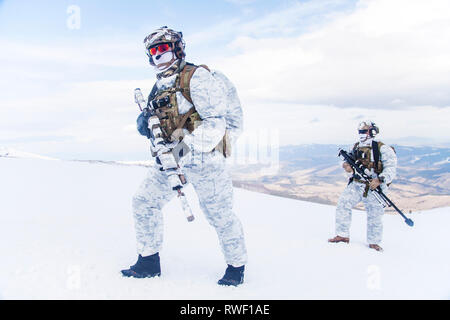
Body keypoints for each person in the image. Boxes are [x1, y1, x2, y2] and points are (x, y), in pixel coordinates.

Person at [121, 26, 248, 286]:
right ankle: (148, 262)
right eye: (153, 51)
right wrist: (144, 124)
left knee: (219, 214)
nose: (158, 56)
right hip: (170, 160)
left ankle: (236, 268)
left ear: (177, 48)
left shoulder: (196, 77)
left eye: (163, 49)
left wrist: (178, 154)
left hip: (204, 160)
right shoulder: (159, 86)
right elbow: (160, 121)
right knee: (144, 202)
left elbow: (215, 124)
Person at [328, 120, 397, 252]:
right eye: (360, 131)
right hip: (357, 184)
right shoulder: (355, 147)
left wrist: (380, 179)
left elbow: (391, 168)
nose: (361, 134)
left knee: (375, 215)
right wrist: (347, 168)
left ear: (372, 131)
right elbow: (347, 162)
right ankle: (342, 235)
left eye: (364, 131)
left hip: (374, 188)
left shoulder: (382, 148)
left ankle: (374, 242)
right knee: (343, 204)